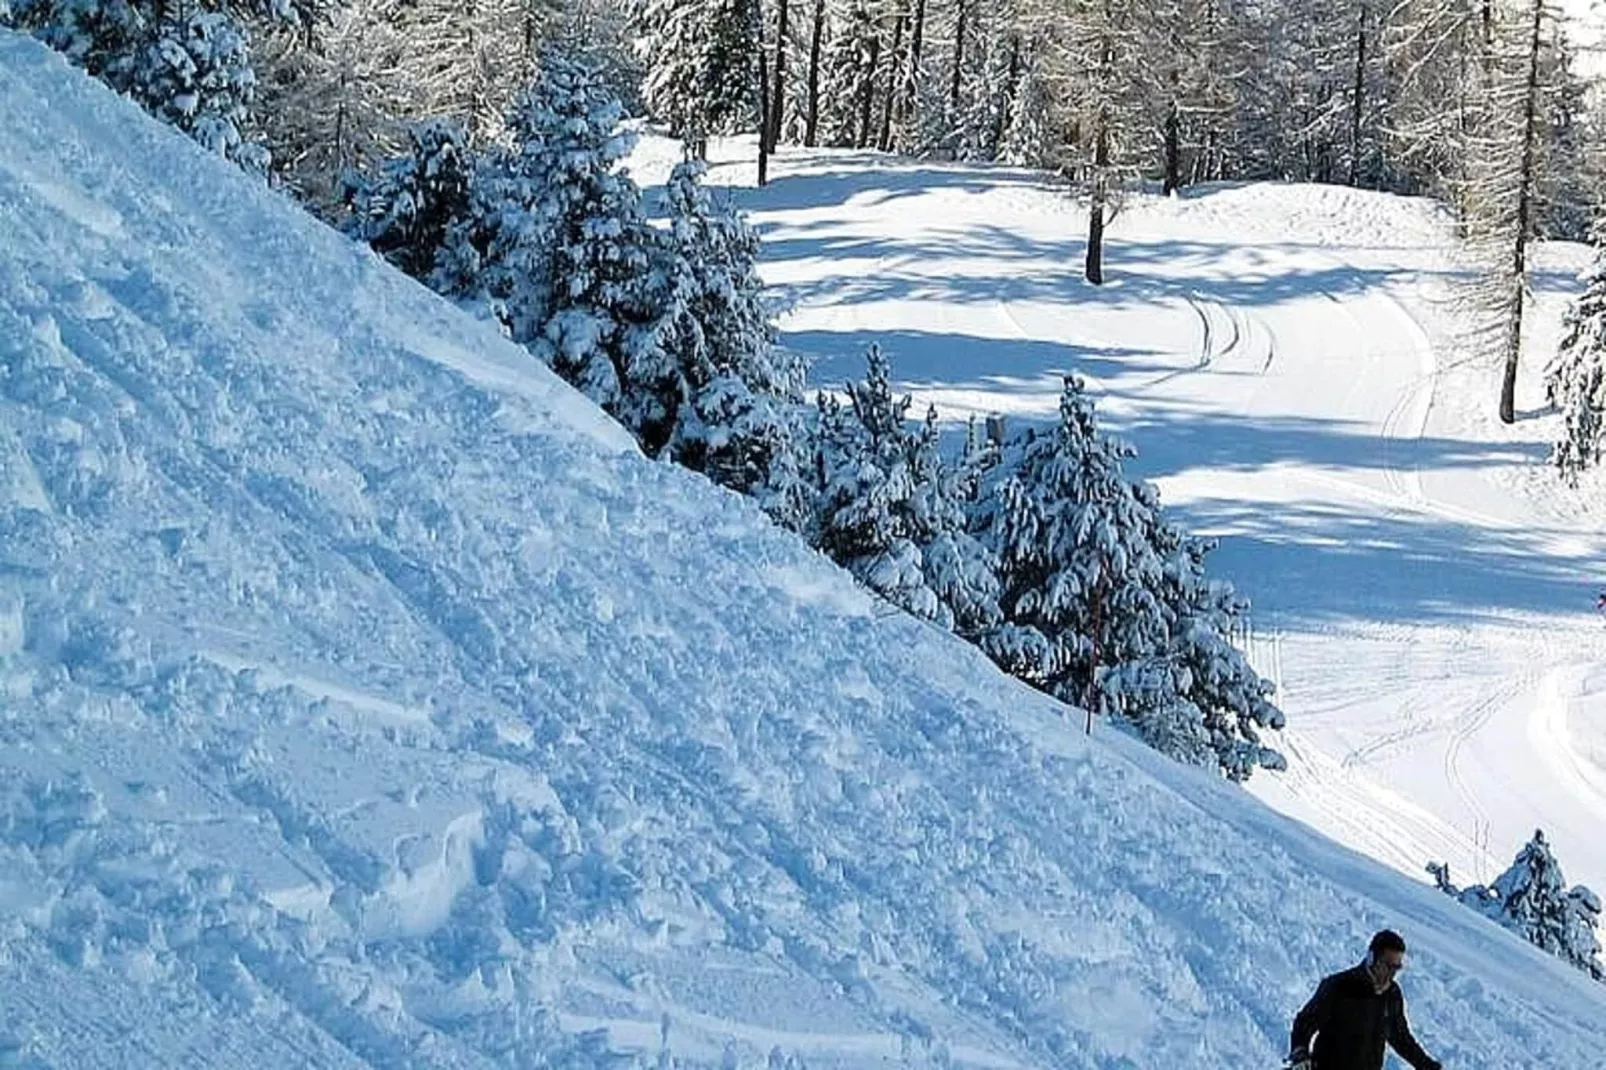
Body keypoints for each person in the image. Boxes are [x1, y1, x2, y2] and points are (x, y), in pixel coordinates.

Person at [1288, 930, 1442, 1070]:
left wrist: (1426, 1065)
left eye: (1396, 968)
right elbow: (1305, 1022)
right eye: (1388, 966)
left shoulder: (1392, 995)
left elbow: (1401, 1037)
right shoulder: (1339, 986)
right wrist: (1300, 1052)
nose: (1392, 973)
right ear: (1371, 958)